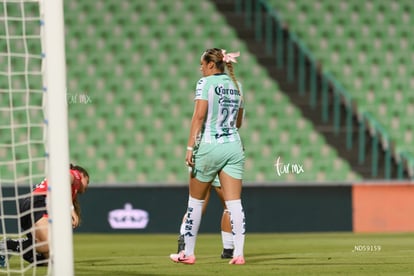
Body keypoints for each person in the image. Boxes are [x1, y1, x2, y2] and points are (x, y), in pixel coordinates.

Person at [170, 48, 246, 265]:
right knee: (234, 204)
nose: (201, 68)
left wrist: (189, 147)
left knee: (195, 202)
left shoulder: (205, 83)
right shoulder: (237, 85)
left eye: (202, 64)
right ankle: (238, 254)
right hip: (234, 146)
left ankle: (187, 253)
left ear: (211, 65)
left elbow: (199, 116)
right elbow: (238, 123)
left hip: (210, 146)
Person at [0, 164, 89, 267]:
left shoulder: (67, 191)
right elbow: (66, 178)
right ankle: (9, 245)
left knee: (47, 260)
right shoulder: (75, 174)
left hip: (30, 205)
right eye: (87, 181)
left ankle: (15, 248)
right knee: (52, 244)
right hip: (38, 202)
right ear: (82, 175)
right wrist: (71, 210)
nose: (87, 186)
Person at [176, 177, 234, 259]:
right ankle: (228, 250)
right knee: (228, 207)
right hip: (218, 165)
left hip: (199, 166)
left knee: (196, 206)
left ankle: (183, 241)